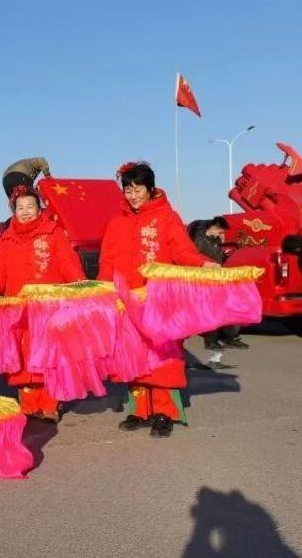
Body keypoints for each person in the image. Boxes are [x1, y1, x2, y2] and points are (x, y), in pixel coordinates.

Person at [99, 162, 219, 437]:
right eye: (128, 190)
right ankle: (140, 409)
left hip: (160, 300)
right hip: (128, 301)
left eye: (138, 189)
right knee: (132, 354)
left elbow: (182, 252)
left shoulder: (167, 217)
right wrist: (105, 290)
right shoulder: (117, 222)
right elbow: (108, 260)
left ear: (150, 188)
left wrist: (202, 263)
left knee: (163, 355)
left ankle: (165, 412)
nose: (133, 195)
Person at [0, 184, 86, 419]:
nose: (25, 211)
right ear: (14, 211)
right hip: (18, 308)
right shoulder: (6, 238)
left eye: (30, 206)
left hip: (49, 308)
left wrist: (79, 284)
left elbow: (67, 263)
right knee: (23, 355)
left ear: (39, 208)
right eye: (20, 207)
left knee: (49, 353)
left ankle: (51, 404)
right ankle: (29, 404)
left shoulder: (53, 232)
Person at [187, 217, 249, 350]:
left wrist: (224, 255)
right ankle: (211, 341)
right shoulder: (200, 242)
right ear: (213, 228)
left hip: (216, 279)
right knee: (211, 310)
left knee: (227, 308)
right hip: (205, 281)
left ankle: (229, 337)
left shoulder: (214, 241)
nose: (222, 235)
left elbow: (216, 258)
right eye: (220, 232)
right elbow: (200, 260)